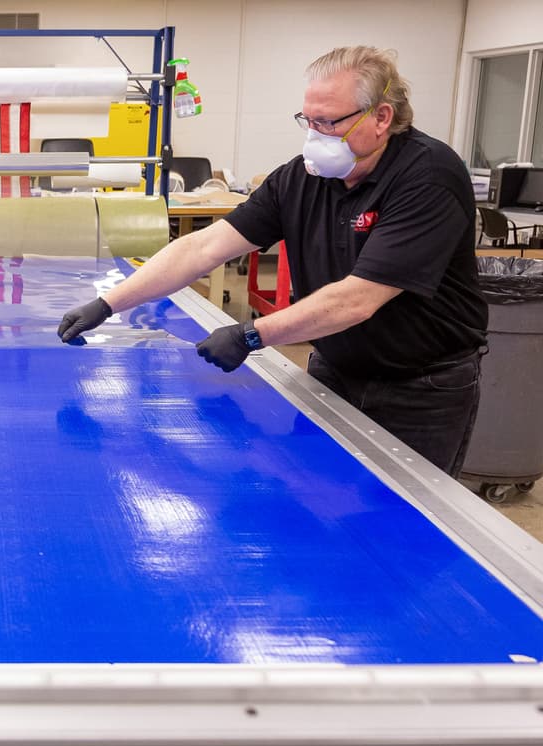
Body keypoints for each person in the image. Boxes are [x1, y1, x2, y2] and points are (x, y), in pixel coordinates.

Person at [57, 45, 486, 477]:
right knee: (315, 500)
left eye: (329, 122)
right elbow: (202, 248)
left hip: (421, 387)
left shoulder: (427, 176)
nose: (315, 135)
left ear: (381, 117)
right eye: (308, 121)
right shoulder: (300, 179)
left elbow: (358, 299)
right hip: (335, 369)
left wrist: (250, 334)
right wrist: (109, 303)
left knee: (404, 522)